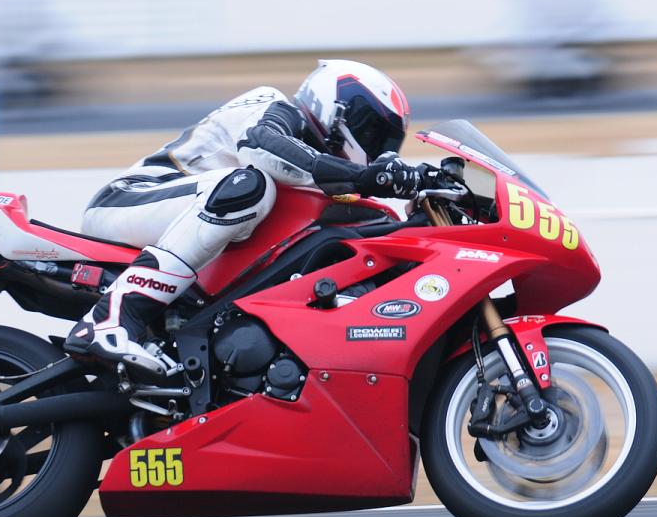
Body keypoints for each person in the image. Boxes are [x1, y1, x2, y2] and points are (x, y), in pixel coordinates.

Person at [64, 59, 431, 372]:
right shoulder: (274, 108)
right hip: (127, 201)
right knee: (250, 187)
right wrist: (366, 176)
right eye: (372, 132)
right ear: (337, 110)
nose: (376, 148)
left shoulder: (315, 175)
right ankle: (108, 319)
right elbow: (262, 146)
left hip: (176, 220)